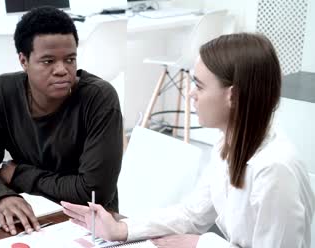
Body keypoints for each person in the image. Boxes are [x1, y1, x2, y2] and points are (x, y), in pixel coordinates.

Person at [62, 33, 315, 248]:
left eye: (200, 86)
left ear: (233, 95)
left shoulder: (274, 170)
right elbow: (192, 214)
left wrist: (201, 244)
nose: (191, 93)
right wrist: (121, 229)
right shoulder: (227, 144)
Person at [0, 6, 123, 236]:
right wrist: (1, 197)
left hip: (92, 223)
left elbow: (94, 192)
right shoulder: (2, 92)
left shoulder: (99, 98)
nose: (62, 70)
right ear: (23, 60)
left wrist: (19, 175)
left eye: (70, 59)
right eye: (48, 61)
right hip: (30, 213)